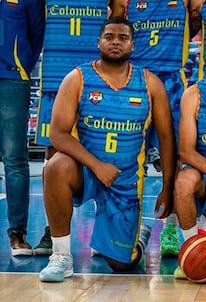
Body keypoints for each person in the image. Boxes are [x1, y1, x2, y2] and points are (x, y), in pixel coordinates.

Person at [39, 17, 176, 282]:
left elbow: (167, 138)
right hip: (87, 172)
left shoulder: (150, 84)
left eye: (122, 38)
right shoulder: (77, 78)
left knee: (121, 265)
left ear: (132, 45)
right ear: (99, 42)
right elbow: (57, 134)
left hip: (125, 181)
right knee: (55, 166)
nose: (115, 42)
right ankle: (61, 257)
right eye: (109, 36)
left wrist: (167, 187)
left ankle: (138, 235)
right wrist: (97, 165)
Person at [111, 0, 196, 257]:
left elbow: (194, 21)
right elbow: (114, 28)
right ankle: (125, 229)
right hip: (135, 81)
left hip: (172, 81)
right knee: (126, 159)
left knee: (175, 159)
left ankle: (169, 227)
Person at [33, 0, 112, 256]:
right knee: (53, 156)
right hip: (56, 78)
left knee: (105, 151)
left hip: (97, 80)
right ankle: (52, 230)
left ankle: (105, 230)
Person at [0, 0, 45, 256]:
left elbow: (36, 35)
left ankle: (17, 234)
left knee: (15, 158)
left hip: (12, 81)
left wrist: (19, 68)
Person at [173, 77, 206, 279]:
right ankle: (192, 251)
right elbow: (186, 152)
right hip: (203, 167)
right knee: (183, 182)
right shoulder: (193, 94)